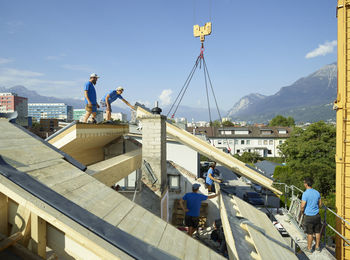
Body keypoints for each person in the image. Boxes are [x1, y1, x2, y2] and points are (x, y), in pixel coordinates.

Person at [300, 177, 322, 253]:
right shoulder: (317, 192)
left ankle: (309, 248)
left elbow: (302, 206)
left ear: (306, 184)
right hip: (317, 215)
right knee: (317, 232)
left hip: (309, 216)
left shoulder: (305, 193)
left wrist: (302, 212)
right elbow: (320, 204)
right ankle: (317, 247)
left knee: (310, 233)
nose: (303, 184)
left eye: (304, 183)